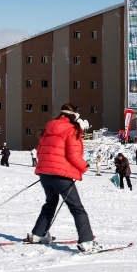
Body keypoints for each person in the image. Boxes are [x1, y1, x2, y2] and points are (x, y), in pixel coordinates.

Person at [26, 104, 99, 253]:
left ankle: (38, 234)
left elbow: (40, 152)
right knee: (77, 208)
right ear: (75, 116)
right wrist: (84, 167)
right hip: (61, 176)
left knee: (50, 203)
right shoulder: (72, 130)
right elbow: (73, 155)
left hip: (45, 174)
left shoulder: (48, 129)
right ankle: (87, 242)